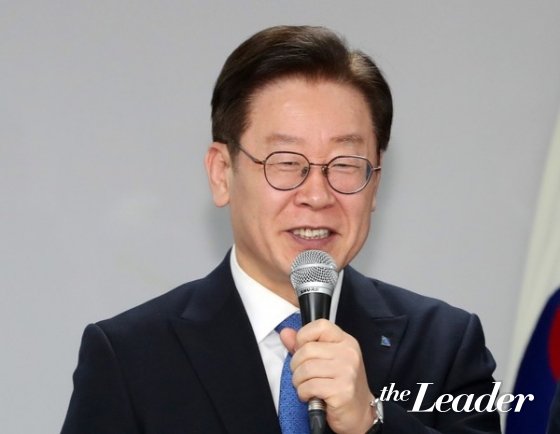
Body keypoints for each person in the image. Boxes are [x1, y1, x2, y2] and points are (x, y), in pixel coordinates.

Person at [61, 25, 501, 433]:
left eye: (344, 165)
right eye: (286, 162)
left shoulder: (444, 344)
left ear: (375, 182)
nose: (317, 195)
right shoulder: (130, 356)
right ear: (221, 173)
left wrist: (372, 420)